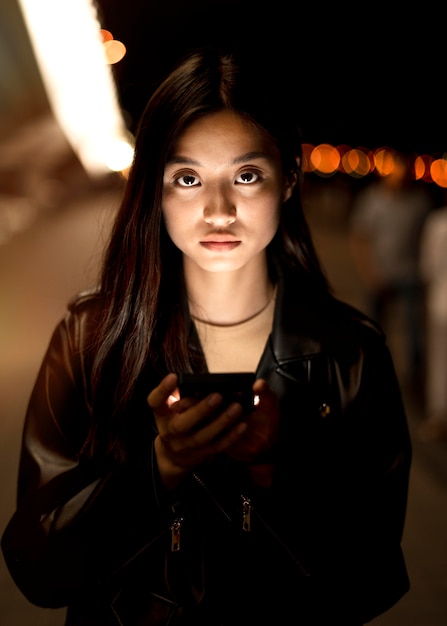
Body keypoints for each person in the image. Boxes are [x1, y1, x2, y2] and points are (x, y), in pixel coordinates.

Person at [1, 46, 412, 626]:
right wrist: (158, 467)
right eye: (188, 178)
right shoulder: (91, 338)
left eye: (247, 175)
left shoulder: (350, 353)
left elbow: (373, 580)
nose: (219, 210)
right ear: (155, 190)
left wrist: (274, 470)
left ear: (289, 180)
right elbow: (36, 567)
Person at [348, 153, 431, 391]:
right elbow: (360, 238)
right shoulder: (372, 200)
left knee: (413, 330)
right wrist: (369, 271)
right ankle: (372, 373)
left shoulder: (419, 203)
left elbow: (426, 239)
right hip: (379, 274)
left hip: (409, 275)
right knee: (373, 329)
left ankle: (416, 377)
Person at [418, 201, 447, 441]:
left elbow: (428, 266)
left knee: (439, 363)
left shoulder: (438, 223)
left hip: (441, 303)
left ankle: (438, 417)